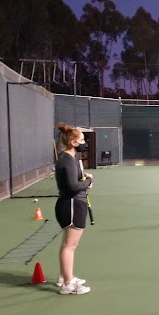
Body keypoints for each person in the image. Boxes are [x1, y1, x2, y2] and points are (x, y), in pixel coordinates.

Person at [54, 123, 93, 295]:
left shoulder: (69, 159)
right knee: (70, 246)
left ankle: (64, 277)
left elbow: (74, 182)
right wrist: (87, 182)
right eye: (82, 140)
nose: (85, 142)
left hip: (72, 202)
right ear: (73, 142)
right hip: (71, 204)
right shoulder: (67, 160)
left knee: (68, 245)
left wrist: (83, 181)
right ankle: (67, 284)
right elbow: (72, 185)